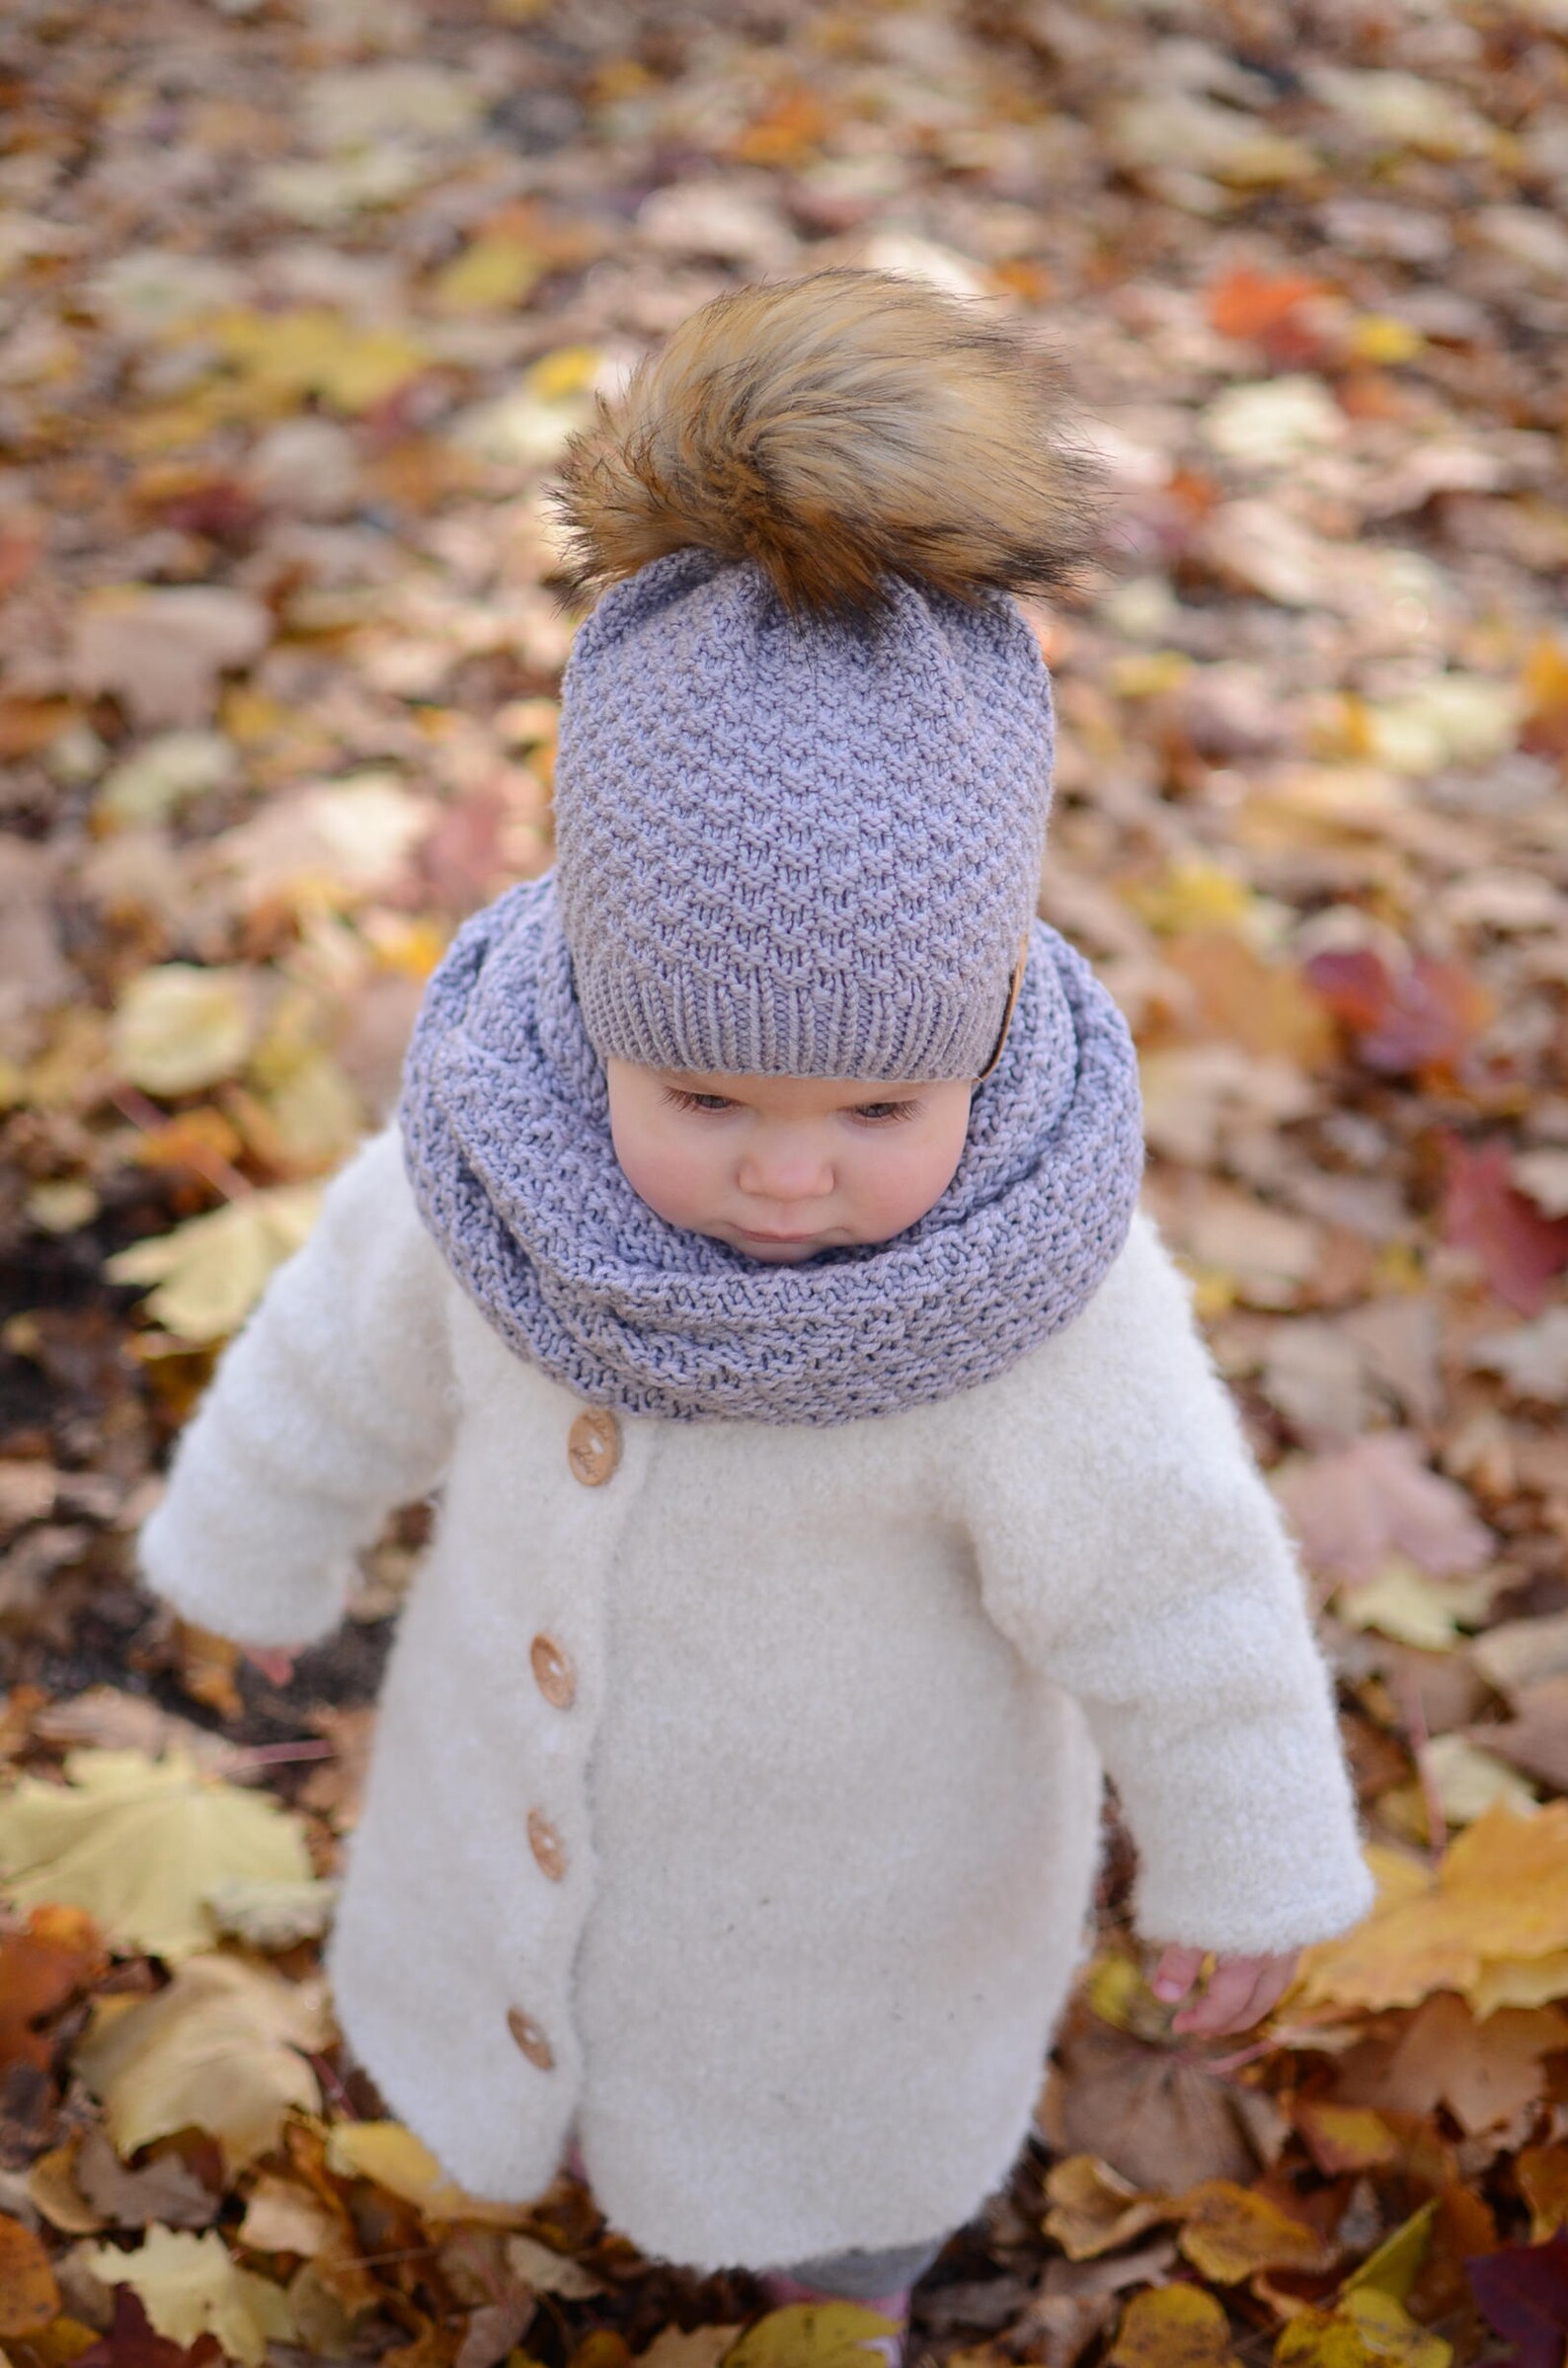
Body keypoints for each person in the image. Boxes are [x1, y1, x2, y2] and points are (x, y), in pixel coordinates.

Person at [137, 269, 1372, 2362]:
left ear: (976, 1042)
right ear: (599, 1016)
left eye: (873, 1105)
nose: (787, 1171)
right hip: (495, 1808)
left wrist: (1236, 1860)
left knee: (840, 2153)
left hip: (866, 1918)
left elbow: (1179, 1594)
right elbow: (332, 1364)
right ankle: (527, 2167)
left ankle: (846, 2292)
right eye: (703, 1097)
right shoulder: (495, 1169)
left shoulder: (1028, 1304)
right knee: (510, 2049)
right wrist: (263, 1547)